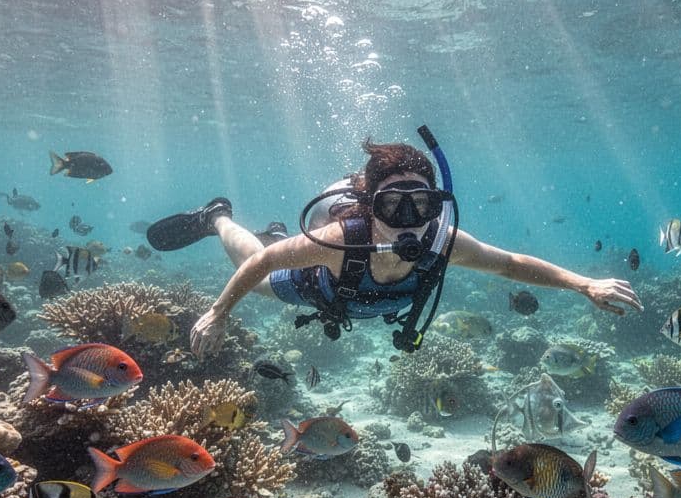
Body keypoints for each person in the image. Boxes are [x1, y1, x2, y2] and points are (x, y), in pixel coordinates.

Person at [145, 137, 642, 358]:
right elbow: (264, 260)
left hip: (353, 294)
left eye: (419, 204)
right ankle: (218, 217)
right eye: (392, 205)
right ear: (368, 204)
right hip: (315, 288)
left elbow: (510, 265)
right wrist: (218, 311)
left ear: (435, 204)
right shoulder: (343, 240)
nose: (408, 221)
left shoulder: (441, 241)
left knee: (280, 250)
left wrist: (585, 284)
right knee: (257, 273)